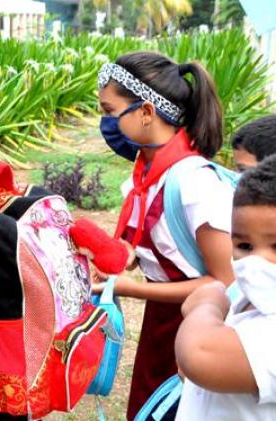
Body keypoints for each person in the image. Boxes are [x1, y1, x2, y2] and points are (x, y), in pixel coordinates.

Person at [95, 52, 235, 420]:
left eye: (110, 112)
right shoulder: (146, 174)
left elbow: (224, 284)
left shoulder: (195, 185)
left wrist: (126, 287)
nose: (105, 123)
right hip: (162, 325)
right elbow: (142, 247)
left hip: (200, 326)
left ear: (146, 112)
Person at [175, 155, 276, 420]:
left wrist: (207, 304)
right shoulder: (246, 295)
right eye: (244, 246)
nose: (258, 261)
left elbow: (198, 354)